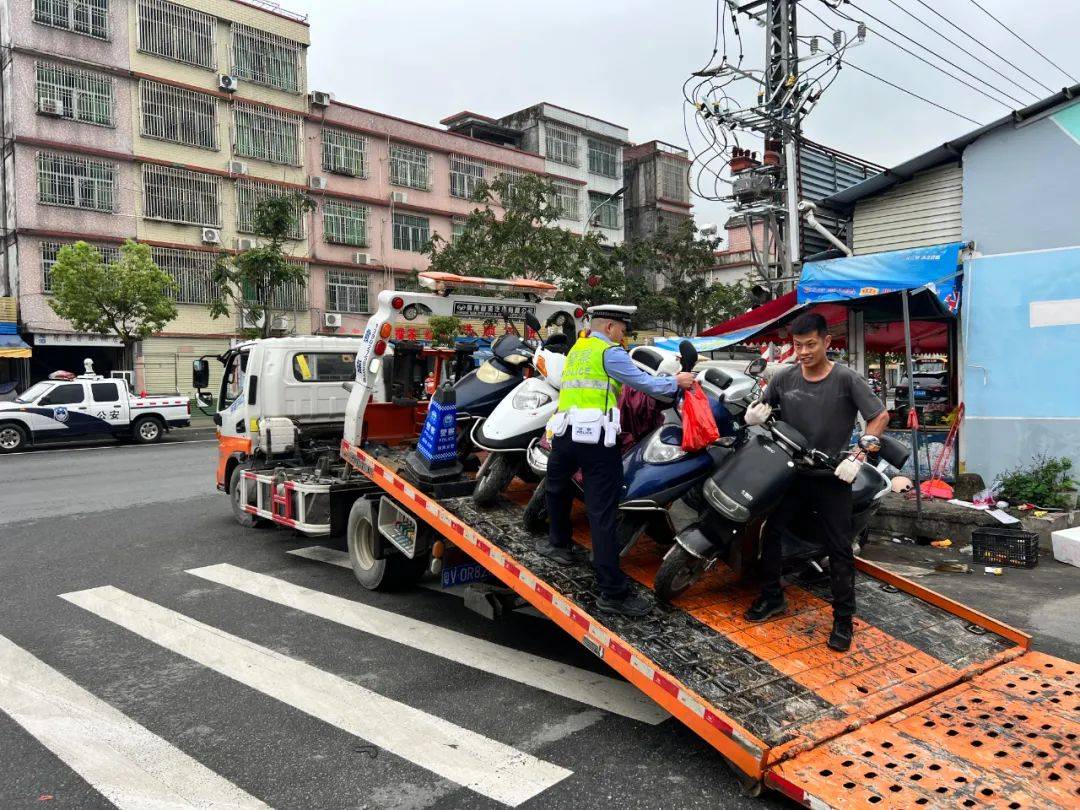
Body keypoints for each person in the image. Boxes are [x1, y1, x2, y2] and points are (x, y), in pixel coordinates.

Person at [742, 312, 889, 651]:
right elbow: (762, 407)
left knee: (839, 548)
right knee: (770, 533)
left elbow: (879, 416)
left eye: (810, 345)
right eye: (798, 345)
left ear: (826, 342)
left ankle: (842, 620)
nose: (804, 352)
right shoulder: (783, 377)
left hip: (832, 474)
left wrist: (858, 455)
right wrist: (754, 415)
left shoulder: (846, 379)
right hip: (791, 471)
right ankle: (772, 597)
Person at [540, 305, 695, 618]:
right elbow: (645, 384)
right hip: (596, 441)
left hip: (565, 433)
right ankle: (612, 593)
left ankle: (559, 546)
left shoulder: (578, 349)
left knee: (556, 487)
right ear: (610, 327)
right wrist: (677, 382)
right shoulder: (610, 353)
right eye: (622, 330)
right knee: (603, 514)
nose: (624, 336)